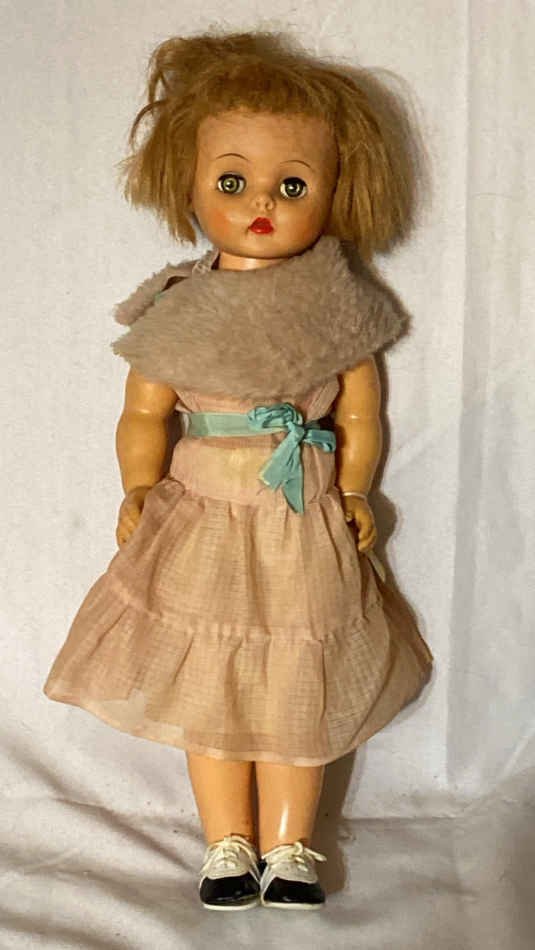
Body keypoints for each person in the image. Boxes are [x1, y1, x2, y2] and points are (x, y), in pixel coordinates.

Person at [43, 30, 433, 911]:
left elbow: (359, 413)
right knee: (208, 683)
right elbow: (144, 412)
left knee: (299, 683)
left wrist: (354, 487)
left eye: (291, 185)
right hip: (203, 518)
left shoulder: (338, 308)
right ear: (185, 184)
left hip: (300, 519)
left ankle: (291, 845)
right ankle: (226, 843)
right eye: (232, 181)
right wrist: (138, 485)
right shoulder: (176, 306)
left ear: (336, 192)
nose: (260, 202)